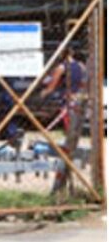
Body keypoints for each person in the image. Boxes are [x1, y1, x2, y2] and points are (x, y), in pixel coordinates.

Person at [40, 45, 87, 190]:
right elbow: (83, 84)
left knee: (68, 135)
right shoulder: (81, 66)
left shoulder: (61, 68)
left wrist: (41, 94)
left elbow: (51, 86)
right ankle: (68, 168)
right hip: (79, 102)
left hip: (67, 102)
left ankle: (64, 171)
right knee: (73, 135)